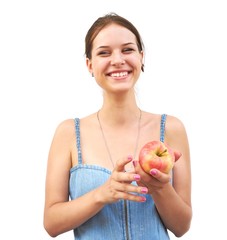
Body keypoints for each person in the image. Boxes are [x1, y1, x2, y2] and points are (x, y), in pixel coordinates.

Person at [43, 12, 192, 239]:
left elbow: (181, 227)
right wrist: (103, 193)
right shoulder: (68, 133)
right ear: (89, 65)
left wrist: (160, 188)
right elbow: (52, 224)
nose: (118, 60)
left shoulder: (171, 128)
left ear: (141, 57)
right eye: (104, 52)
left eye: (128, 50)